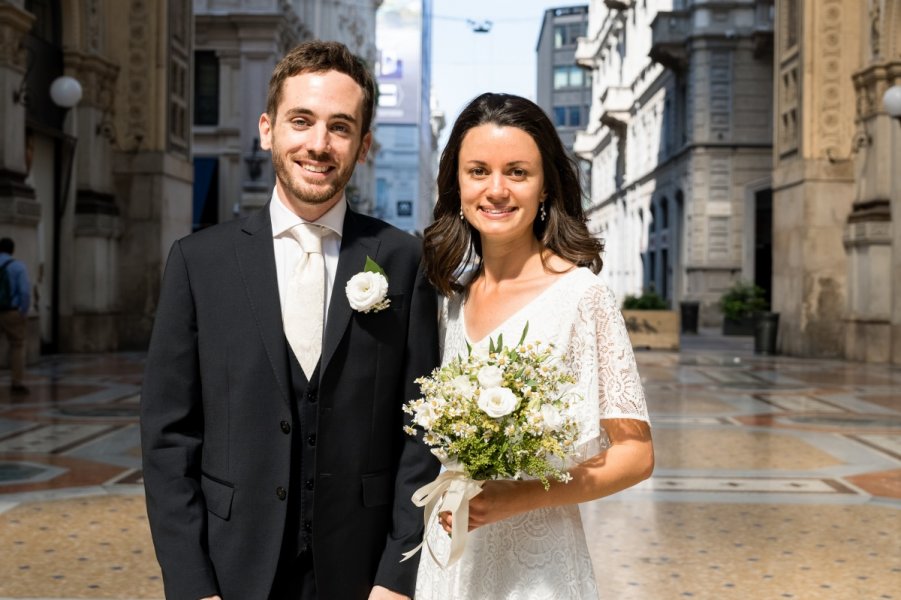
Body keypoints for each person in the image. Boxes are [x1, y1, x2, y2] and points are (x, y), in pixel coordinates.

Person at [140, 41, 440, 600]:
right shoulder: (197, 262)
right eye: (301, 120)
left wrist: (398, 577)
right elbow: (167, 438)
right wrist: (190, 582)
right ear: (267, 129)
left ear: (365, 144)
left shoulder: (402, 259)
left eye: (341, 127)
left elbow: (421, 430)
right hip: (231, 569)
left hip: (361, 571)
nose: (319, 145)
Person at [414, 93, 654, 599]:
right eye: (478, 171)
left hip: (537, 565)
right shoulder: (451, 300)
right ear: (457, 184)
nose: (496, 190)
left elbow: (635, 455)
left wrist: (518, 496)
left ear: (544, 186)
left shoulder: (582, 296)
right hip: (450, 552)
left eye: (517, 172)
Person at [0, 237, 31, 395]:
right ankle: (16, 382)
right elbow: (24, 292)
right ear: (12, 250)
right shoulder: (18, 266)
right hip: (12, 311)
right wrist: (23, 311)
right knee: (17, 346)